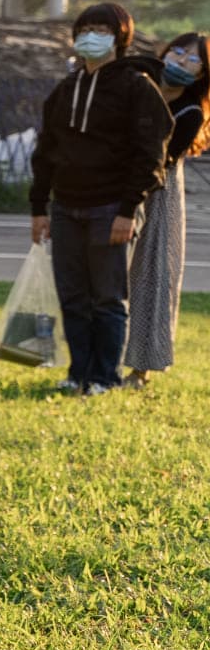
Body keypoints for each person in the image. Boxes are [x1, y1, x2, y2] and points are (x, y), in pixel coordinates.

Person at [28, 1, 172, 397]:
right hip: (65, 207)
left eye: (102, 30)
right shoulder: (66, 88)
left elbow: (150, 153)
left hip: (111, 208)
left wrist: (129, 209)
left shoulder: (136, 87)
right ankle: (79, 372)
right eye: (85, 28)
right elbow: (46, 151)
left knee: (107, 298)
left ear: (120, 38)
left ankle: (104, 377)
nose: (91, 36)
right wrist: (39, 207)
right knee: (73, 296)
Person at [124, 31, 204, 386]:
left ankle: (141, 368)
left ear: (203, 74)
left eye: (193, 59)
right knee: (106, 277)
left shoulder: (189, 113)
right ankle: (97, 361)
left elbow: (162, 161)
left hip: (157, 193)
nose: (182, 60)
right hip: (114, 183)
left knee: (152, 276)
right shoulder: (135, 85)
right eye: (179, 51)